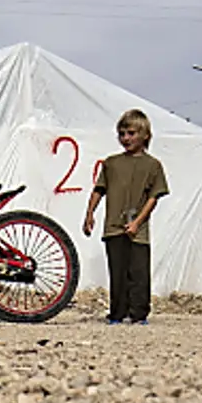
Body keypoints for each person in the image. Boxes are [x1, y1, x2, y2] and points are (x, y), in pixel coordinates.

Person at [83, 109, 169, 324]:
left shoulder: (153, 165)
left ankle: (139, 313)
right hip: (114, 227)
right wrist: (89, 213)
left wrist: (138, 222)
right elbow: (99, 189)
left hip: (137, 231)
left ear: (145, 135)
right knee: (117, 272)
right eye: (122, 134)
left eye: (131, 133)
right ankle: (117, 312)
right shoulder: (111, 163)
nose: (126, 138)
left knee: (139, 273)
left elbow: (153, 197)